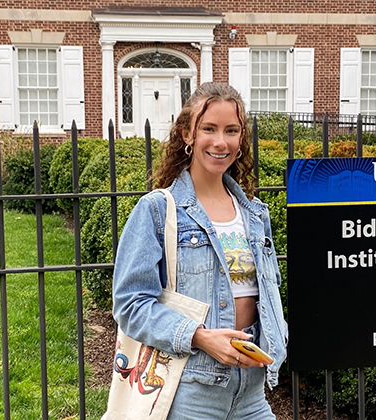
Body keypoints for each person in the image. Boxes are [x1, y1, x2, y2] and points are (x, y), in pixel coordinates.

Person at [111, 82, 287, 419]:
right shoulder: (158, 210)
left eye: (231, 131)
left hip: (250, 391)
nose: (221, 142)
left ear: (241, 140)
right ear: (187, 134)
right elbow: (130, 304)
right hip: (190, 389)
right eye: (209, 129)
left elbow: (267, 293)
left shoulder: (254, 213)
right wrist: (201, 337)